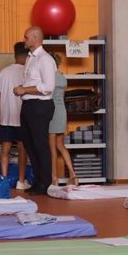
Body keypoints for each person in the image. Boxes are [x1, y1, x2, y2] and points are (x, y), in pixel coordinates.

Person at [13, 26, 56, 195]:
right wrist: (22, 89)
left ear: (36, 38)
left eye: (26, 37)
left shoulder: (44, 59)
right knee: (30, 145)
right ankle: (38, 181)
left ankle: (45, 182)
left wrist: (25, 90)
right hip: (29, 105)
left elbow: (48, 86)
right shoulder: (31, 58)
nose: (24, 40)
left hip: (40, 105)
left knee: (40, 144)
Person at [0, 41, 31, 190]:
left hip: (6, 116)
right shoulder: (27, 72)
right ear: (27, 55)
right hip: (22, 117)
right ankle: (21, 181)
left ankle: (3, 179)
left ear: (14, 55)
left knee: (5, 150)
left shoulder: (4, 72)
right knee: (23, 150)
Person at [48, 53, 78, 186]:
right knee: (61, 145)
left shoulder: (49, 77)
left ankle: (54, 178)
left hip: (51, 111)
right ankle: (73, 175)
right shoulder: (62, 77)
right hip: (62, 110)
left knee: (51, 147)